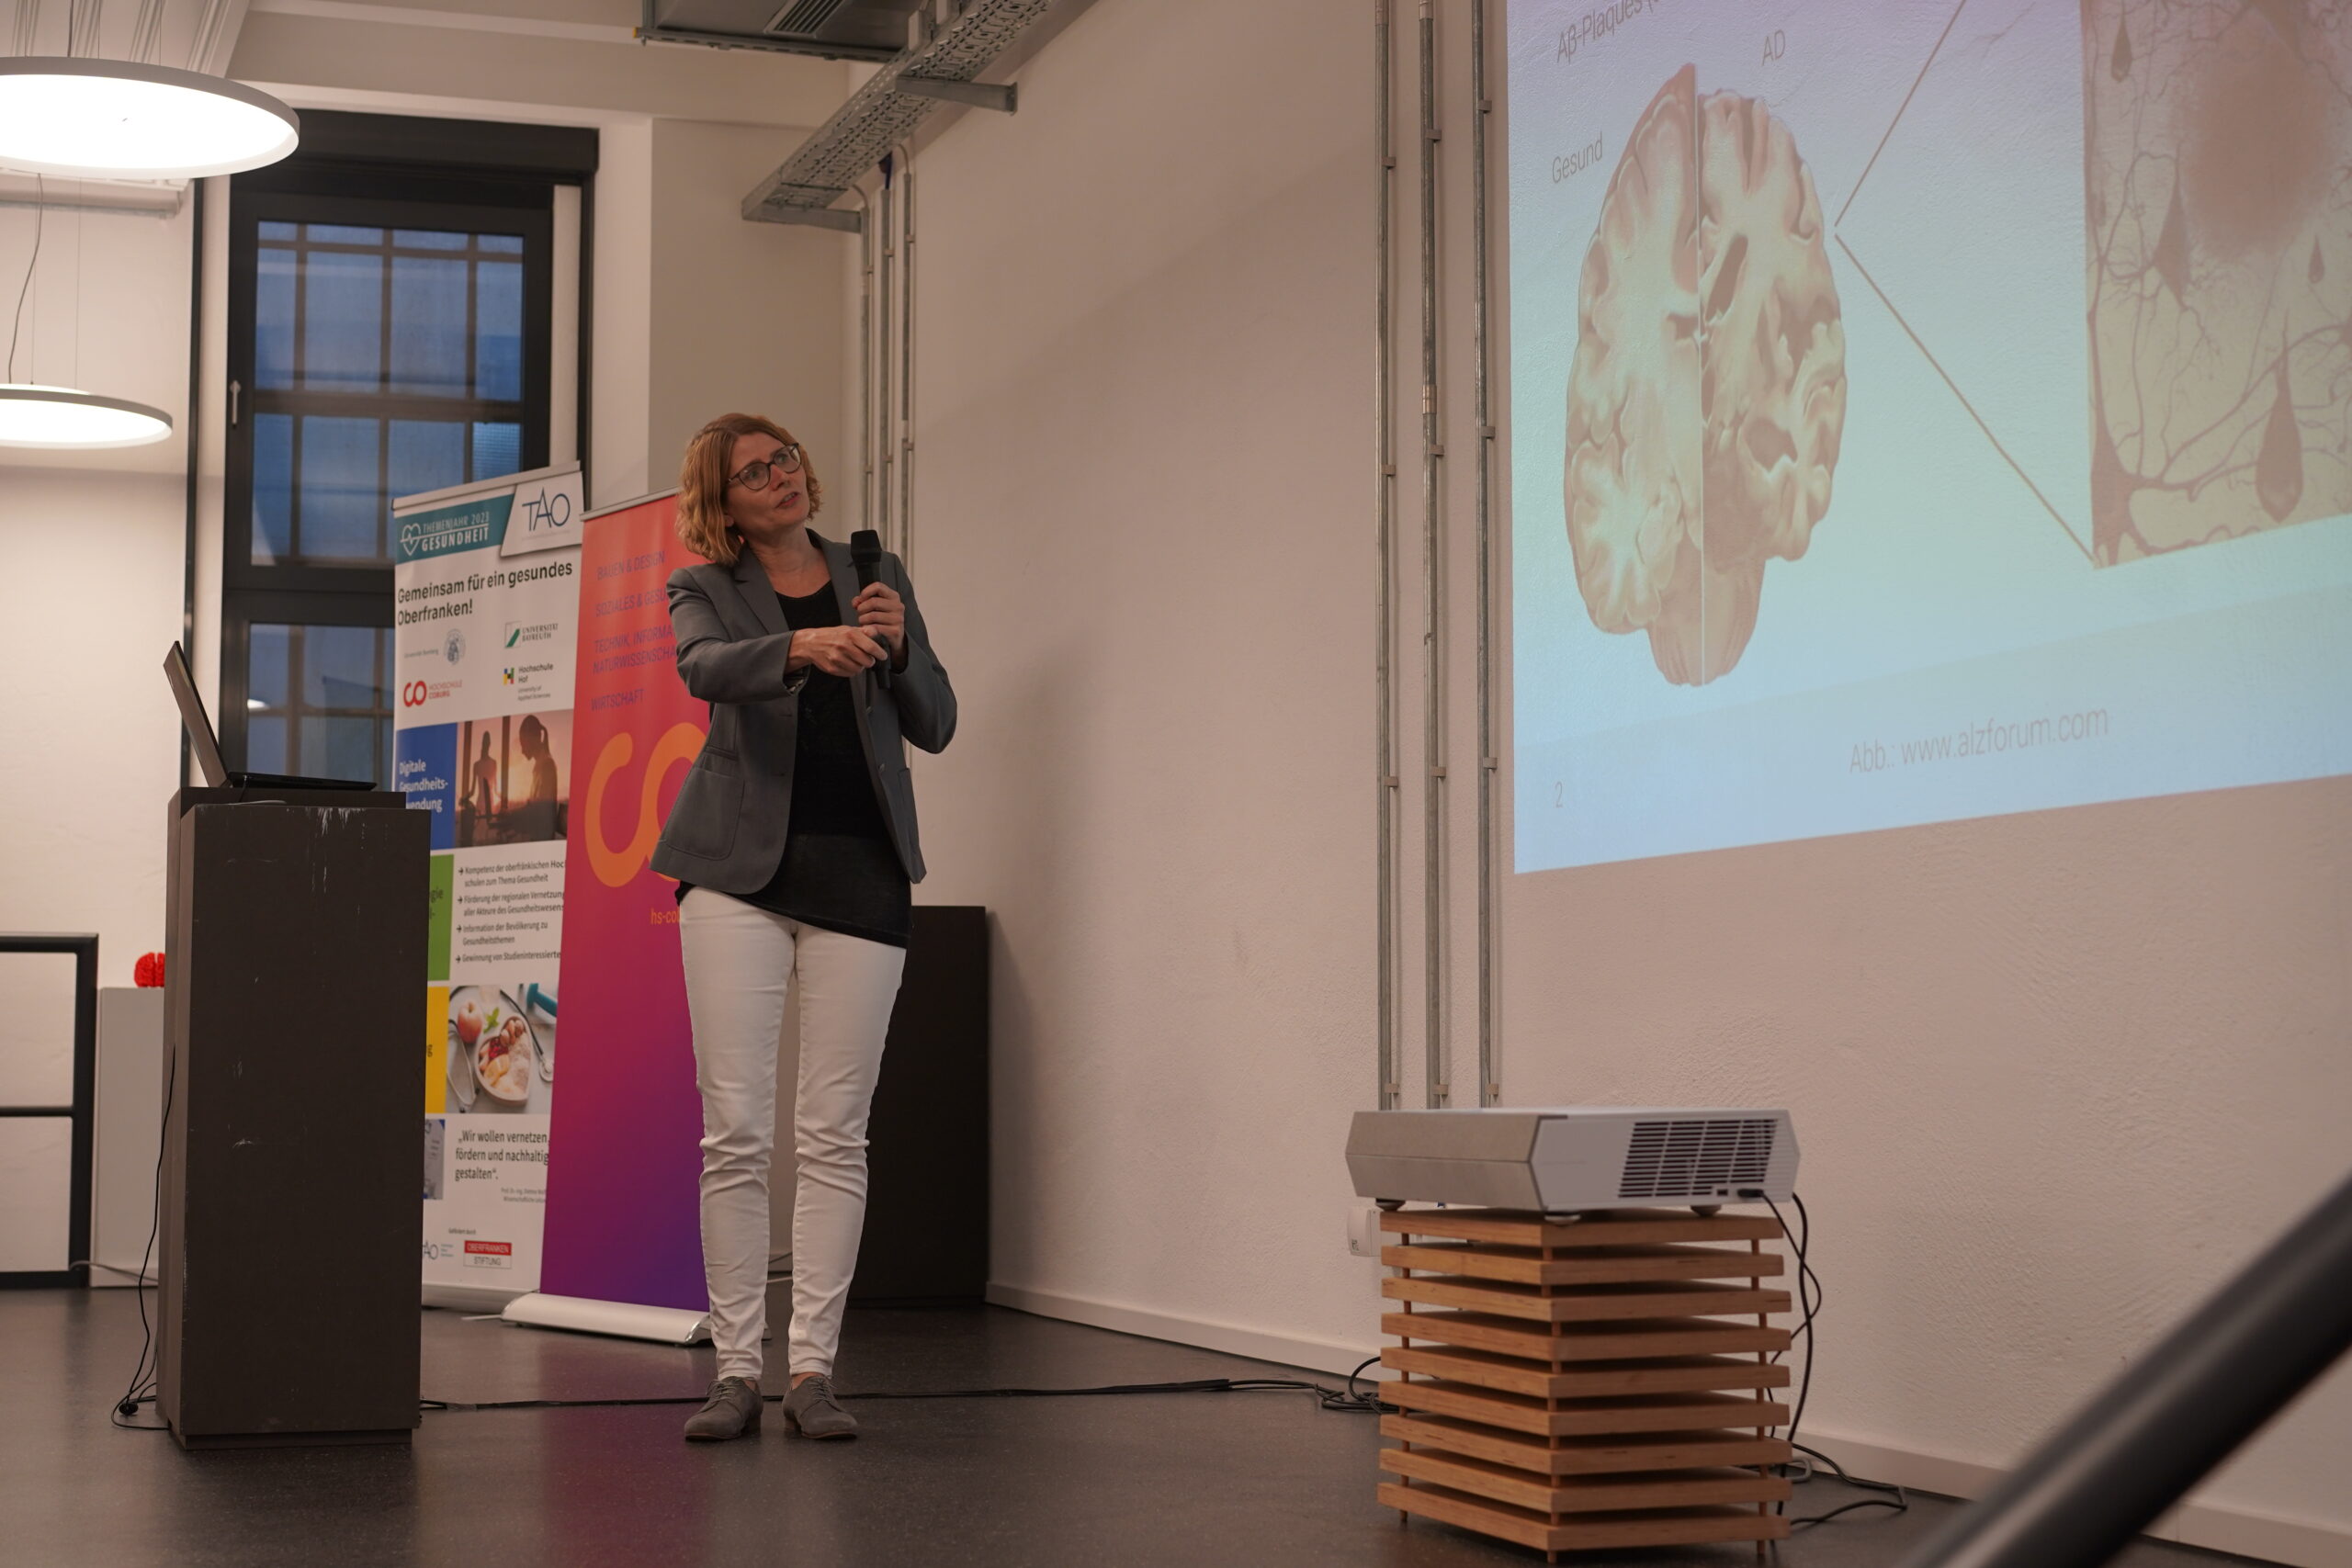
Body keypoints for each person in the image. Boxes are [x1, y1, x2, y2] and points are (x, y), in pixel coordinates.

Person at [651, 413, 956, 1443]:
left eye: (784, 459)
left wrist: (901, 646)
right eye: (752, 472)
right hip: (737, 873)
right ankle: (737, 1370)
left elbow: (937, 721)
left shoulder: (875, 569)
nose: (780, 477)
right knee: (735, 1133)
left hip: (863, 872)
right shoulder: (703, 587)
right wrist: (797, 647)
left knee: (835, 1136)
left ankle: (814, 1369)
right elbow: (705, 670)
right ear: (722, 502)